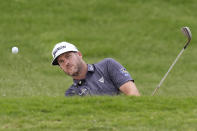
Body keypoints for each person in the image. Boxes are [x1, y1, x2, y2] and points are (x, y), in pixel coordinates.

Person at [51, 41, 140, 96]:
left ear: (79, 55)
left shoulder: (107, 66)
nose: (66, 63)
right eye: (61, 61)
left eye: (68, 56)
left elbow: (133, 95)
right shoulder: (71, 94)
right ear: (60, 67)